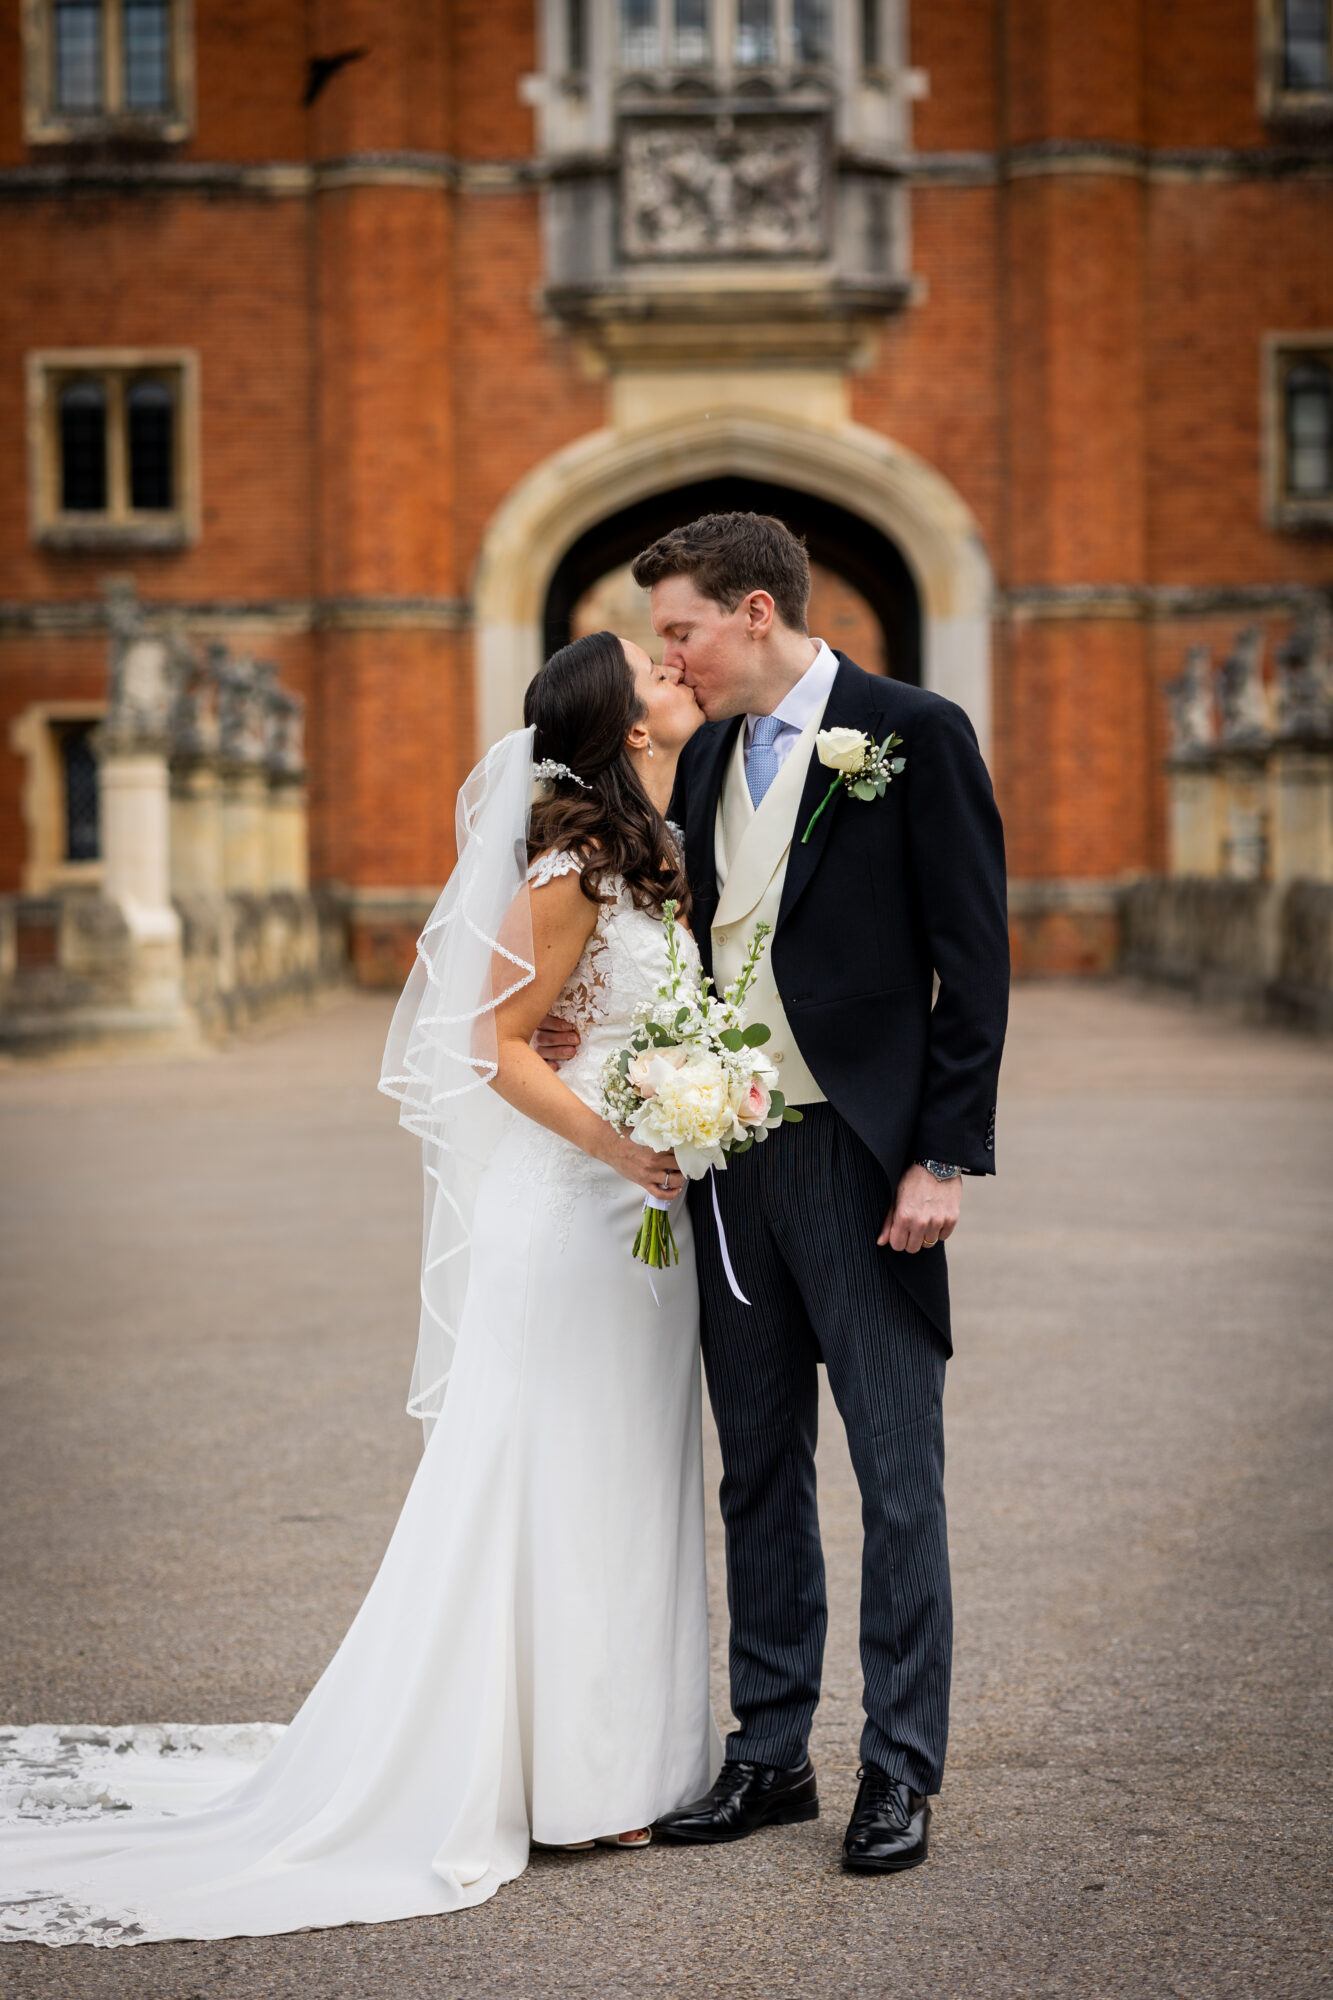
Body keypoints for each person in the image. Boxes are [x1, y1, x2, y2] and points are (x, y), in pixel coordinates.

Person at [0, 631, 719, 1947]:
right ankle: (550, 1777)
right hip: (570, 1212)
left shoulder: (658, 852)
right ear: (621, 723)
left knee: (628, 1468)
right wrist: (624, 1140)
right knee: (546, 1470)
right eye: (650, 671)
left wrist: (692, 1100)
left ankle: (623, 1757)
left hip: (641, 1219)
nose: (674, 677)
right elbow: (490, 1046)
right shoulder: (567, 868)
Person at [536, 513, 1009, 1874]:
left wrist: (943, 1155)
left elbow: (971, 964)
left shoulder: (910, 730)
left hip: (861, 1158)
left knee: (894, 1470)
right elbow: (660, 931)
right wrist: (573, 1025)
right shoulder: (700, 762)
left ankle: (899, 1770)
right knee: (754, 1464)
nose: (667, 660)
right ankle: (770, 1753)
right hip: (721, 1158)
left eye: (679, 629)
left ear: (754, 611)